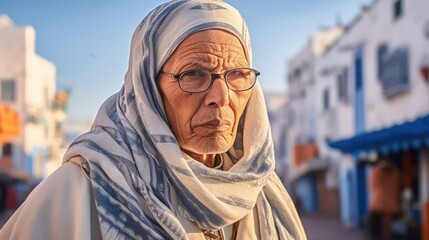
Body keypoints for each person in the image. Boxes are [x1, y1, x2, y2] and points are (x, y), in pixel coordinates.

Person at [0, 1, 306, 239]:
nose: (222, 97)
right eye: (194, 74)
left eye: (237, 75)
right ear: (147, 88)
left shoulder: (261, 190)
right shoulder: (77, 194)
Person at [368, 159, 401, 240]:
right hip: (392, 205)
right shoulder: (395, 173)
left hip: (378, 204)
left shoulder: (376, 172)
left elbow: (371, 186)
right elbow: (398, 187)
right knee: (393, 230)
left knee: (375, 230)